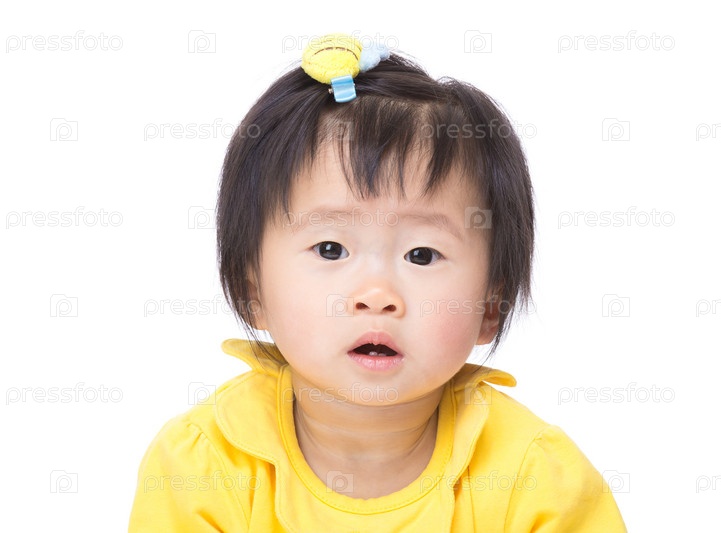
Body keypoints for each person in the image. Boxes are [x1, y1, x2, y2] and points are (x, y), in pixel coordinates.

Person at [129, 33, 627, 532]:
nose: (377, 296)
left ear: (490, 305)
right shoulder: (203, 466)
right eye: (331, 249)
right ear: (251, 290)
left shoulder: (535, 479)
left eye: (422, 255)